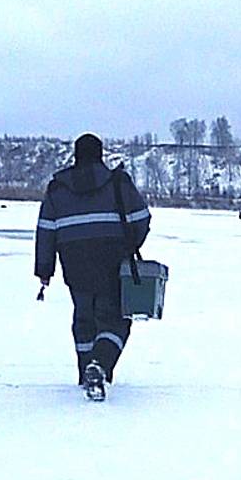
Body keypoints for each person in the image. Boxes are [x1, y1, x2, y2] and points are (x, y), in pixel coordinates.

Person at [35, 133, 151, 401]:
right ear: (100, 154)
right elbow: (142, 218)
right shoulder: (118, 183)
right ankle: (99, 365)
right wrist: (128, 245)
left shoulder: (57, 189)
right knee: (116, 319)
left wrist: (44, 270)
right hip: (112, 262)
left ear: (76, 155)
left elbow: (46, 231)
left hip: (74, 264)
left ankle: (85, 371)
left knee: (84, 317)